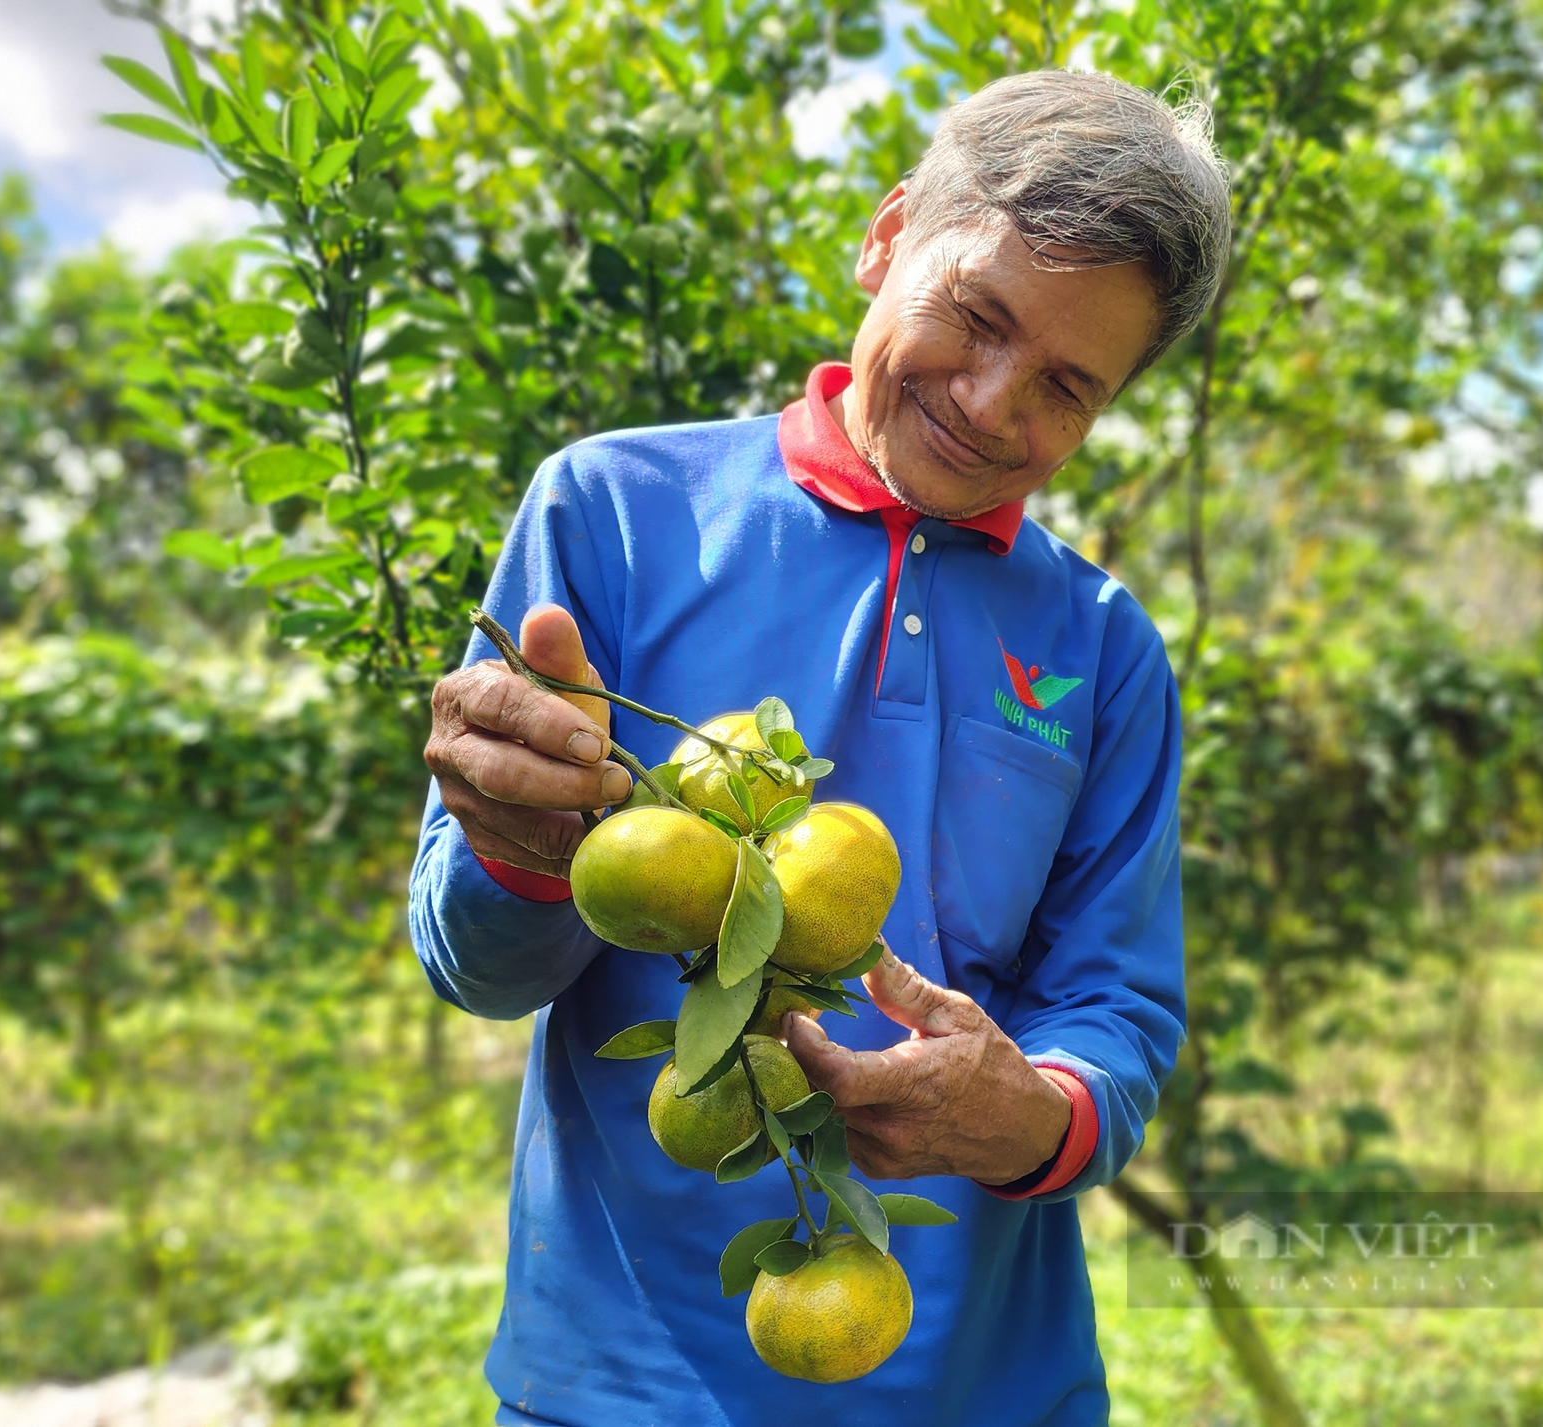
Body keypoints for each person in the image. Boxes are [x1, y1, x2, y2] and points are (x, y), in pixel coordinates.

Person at [409, 67, 1230, 1426]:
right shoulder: (615, 513)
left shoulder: (1102, 646)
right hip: (622, 1387)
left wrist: (1028, 1113)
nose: (991, 399)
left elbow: (1120, 1004)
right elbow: (480, 970)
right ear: (888, 234)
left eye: (1068, 385)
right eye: (975, 316)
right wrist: (525, 845)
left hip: (993, 1391)